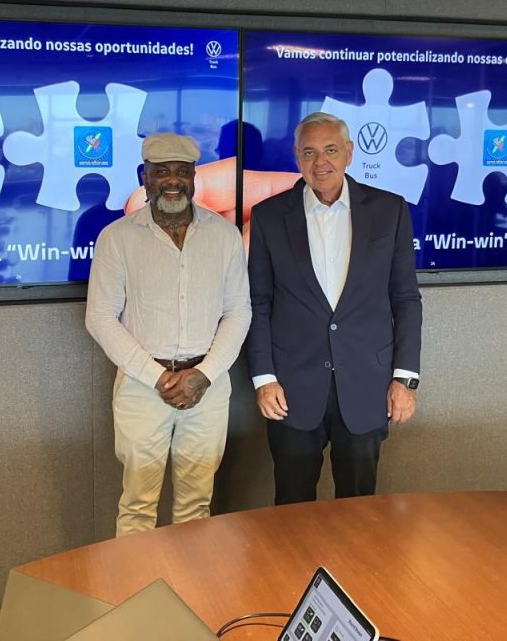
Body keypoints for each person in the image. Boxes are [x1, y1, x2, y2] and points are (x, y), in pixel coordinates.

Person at [246, 112, 423, 504]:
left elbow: (406, 299)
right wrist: (264, 379)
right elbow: (258, 303)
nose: (320, 162)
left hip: (367, 386)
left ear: (349, 153)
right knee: (291, 507)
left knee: (359, 507)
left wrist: (405, 379)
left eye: (330, 150)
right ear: (297, 156)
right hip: (290, 390)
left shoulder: (389, 210)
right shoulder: (269, 216)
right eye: (309, 152)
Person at [86, 133, 251, 536]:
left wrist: (203, 375)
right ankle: (137, 579)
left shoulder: (225, 235)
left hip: (208, 387)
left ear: (194, 177)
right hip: (143, 387)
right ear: (143, 177)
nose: (173, 180)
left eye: (182, 171)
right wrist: (158, 377)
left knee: (197, 503)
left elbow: (238, 312)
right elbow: (100, 318)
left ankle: (188, 578)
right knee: (138, 506)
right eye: (161, 172)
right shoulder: (117, 238)